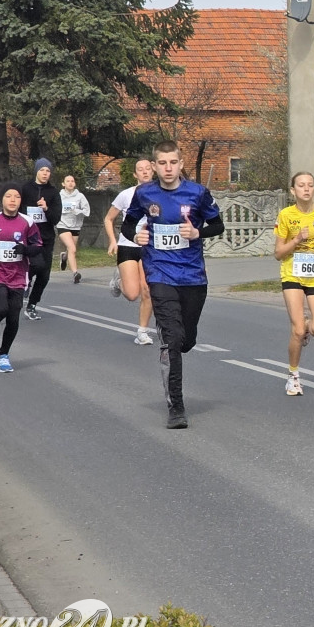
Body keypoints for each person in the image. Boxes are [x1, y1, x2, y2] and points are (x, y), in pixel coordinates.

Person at [121, 141, 223, 429]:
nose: (168, 168)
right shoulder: (145, 193)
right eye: (162, 163)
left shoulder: (198, 193)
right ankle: (176, 407)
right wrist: (136, 236)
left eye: (173, 163)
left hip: (192, 277)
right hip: (159, 273)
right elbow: (128, 225)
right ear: (154, 166)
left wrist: (197, 232)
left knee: (186, 339)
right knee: (172, 340)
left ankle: (181, 337)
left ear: (180, 163)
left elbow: (218, 226)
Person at [272, 171, 314, 396]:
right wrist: (297, 239)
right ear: (293, 191)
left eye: (310, 185)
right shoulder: (285, 215)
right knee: (297, 330)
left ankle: (308, 325)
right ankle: (293, 376)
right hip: (292, 274)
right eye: (301, 185)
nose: (306, 189)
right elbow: (278, 253)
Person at [0, 182, 43, 373]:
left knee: (13, 318)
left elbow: (37, 247)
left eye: (17, 197)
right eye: (8, 196)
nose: (12, 200)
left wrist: (25, 249)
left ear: (20, 200)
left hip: (19, 275)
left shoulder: (27, 222)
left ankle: (3, 355)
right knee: (0, 308)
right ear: (2, 199)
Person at [104, 159, 156, 345]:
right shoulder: (126, 195)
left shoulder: (160, 194)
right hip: (127, 246)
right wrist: (112, 241)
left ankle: (142, 331)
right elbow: (109, 219)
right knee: (132, 294)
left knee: (147, 290)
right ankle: (118, 281)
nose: (144, 172)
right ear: (135, 174)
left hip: (149, 248)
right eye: (140, 170)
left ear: (153, 171)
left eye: (147, 169)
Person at [21, 157, 62, 320]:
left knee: (44, 275)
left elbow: (56, 219)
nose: (45, 174)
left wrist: (46, 208)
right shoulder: (25, 189)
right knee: (33, 267)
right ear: (36, 171)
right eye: (42, 170)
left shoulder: (53, 193)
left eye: (48, 171)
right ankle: (25, 282)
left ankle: (32, 305)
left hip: (46, 237)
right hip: (28, 237)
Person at [56, 174, 91, 284]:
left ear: (75, 183)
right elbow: (54, 209)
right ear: (63, 184)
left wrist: (78, 211)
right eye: (68, 181)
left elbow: (87, 211)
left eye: (72, 181)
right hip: (62, 224)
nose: (70, 183)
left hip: (75, 225)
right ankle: (76, 273)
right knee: (73, 248)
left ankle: (64, 256)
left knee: (71, 249)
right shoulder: (59, 196)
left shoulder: (80, 196)